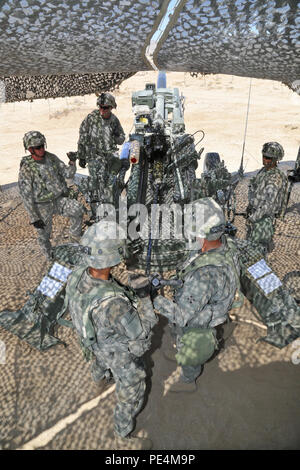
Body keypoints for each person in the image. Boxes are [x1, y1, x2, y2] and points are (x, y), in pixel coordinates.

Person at [64, 220, 157, 450]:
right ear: (112, 257)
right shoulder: (114, 305)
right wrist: (145, 298)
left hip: (92, 340)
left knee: (99, 359)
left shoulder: (76, 275)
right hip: (118, 354)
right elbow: (142, 331)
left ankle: (99, 379)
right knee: (133, 391)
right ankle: (122, 436)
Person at [153, 197, 242, 393]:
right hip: (215, 302)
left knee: (187, 334)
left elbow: (181, 315)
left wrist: (153, 299)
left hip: (200, 316)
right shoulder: (227, 244)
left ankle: (188, 378)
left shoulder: (204, 276)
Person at [18, 131, 84, 260]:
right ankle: (49, 256)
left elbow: (68, 174)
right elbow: (26, 195)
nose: (42, 149)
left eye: (43, 145)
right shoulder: (27, 168)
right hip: (41, 206)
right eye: (38, 147)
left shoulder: (51, 158)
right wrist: (34, 217)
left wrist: (72, 161)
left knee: (78, 209)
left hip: (58, 200)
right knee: (43, 234)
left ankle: (75, 241)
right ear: (30, 149)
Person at [77, 93, 126, 205]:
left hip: (109, 157)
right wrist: (81, 156)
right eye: (100, 106)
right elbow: (82, 137)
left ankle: (109, 206)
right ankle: (96, 208)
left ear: (111, 107)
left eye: (105, 107)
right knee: (96, 184)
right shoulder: (91, 118)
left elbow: (122, 138)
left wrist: (116, 137)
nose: (102, 109)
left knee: (108, 185)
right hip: (94, 156)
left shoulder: (114, 120)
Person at [246, 142, 288, 253]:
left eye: (268, 158)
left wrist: (253, 218)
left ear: (275, 160)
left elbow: (269, 204)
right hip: (257, 216)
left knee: (256, 254)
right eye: (264, 156)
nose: (264, 159)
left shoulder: (275, 177)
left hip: (263, 220)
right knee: (251, 249)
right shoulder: (264, 171)